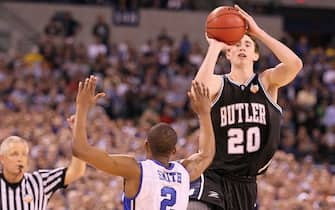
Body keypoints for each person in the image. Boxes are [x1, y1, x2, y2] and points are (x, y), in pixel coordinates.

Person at [188, 5, 303, 210]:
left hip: (247, 182)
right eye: (237, 45)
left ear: (255, 55)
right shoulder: (218, 83)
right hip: (213, 173)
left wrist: (258, 32)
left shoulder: (267, 82)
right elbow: (199, 89)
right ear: (228, 54)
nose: (242, 47)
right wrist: (215, 46)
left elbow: (295, 65)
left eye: (248, 45)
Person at [72, 76, 215, 210]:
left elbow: (80, 150)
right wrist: (205, 113)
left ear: (146, 145)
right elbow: (206, 154)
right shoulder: (185, 172)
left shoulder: (135, 170)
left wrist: (81, 107)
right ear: (174, 151)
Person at [0, 116, 86, 210]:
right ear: (2, 159)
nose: (20, 159)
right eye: (14, 154)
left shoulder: (40, 181)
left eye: (24, 154)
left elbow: (77, 171)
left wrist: (79, 133)